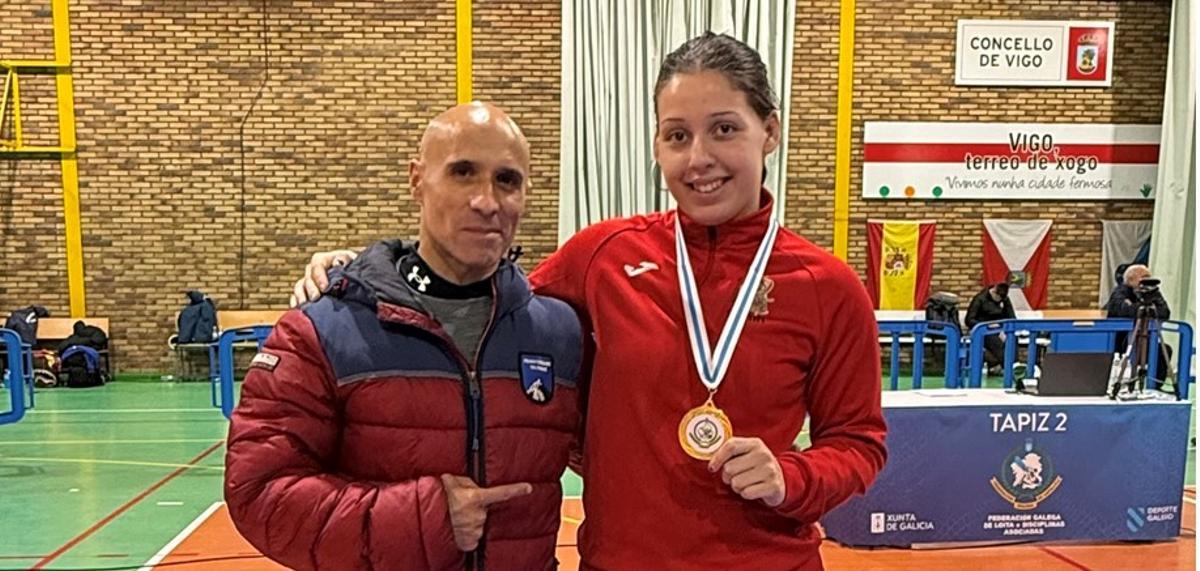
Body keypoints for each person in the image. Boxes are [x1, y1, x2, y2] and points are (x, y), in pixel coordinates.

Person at [291, 33, 886, 570]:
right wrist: (373, 272)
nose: (699, 158)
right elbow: (480, 289)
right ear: (657, 145)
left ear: (771, 132)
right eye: (677, 135)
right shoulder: (602, 256)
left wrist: (794, 474)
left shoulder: (827, 286)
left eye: (724, 129)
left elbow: (859, 442)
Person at [224, 102, 584, 570]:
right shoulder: (324, 330)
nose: (487, 201)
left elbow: (620, 451)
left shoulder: (560, 332)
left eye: (507, 180)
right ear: (417, 179)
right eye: (462, 172)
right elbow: (259, 492)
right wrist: (425, 517)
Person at [1105, 264, 1172, 381]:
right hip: (1123, 341)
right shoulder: (1120, 292)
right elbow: (1125, 311)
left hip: (1146, 339)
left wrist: (1147, 305)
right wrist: (1145, 308)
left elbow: (1164, 312)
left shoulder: (1153, 293)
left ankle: (1155, 385)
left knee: (1164, 350)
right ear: (1131, 280)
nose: (1148, 281)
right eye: (1144, 277)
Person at [964, 281, 1016, 375]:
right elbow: (969, 320)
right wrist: (987, 325)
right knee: (995, 341)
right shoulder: (979, 299)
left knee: (1012, 339)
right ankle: (1004, 366)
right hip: (982, 330)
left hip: (1000, 330)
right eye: (998, 298)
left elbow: (1011, 318)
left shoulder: (1004, 299)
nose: (999, 300)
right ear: (994, 292)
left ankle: (1012, 365)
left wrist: (1004, 330)